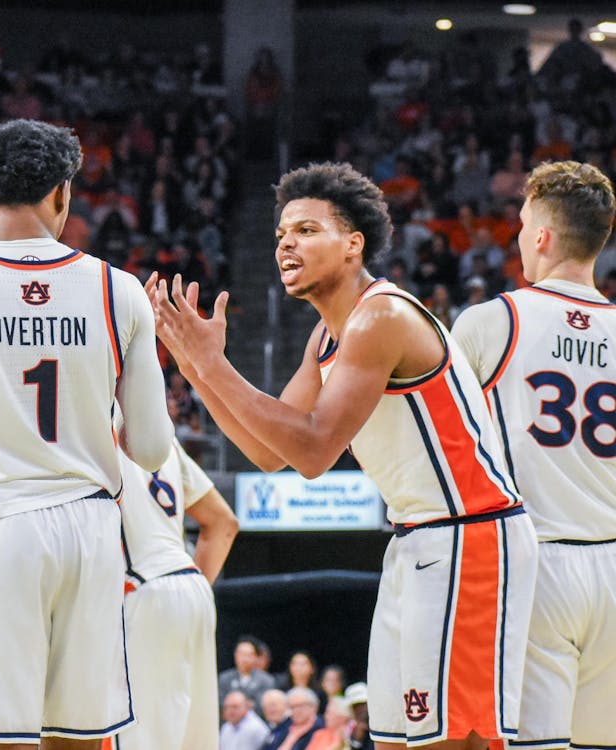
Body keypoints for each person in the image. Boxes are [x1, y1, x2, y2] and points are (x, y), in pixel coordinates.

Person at [147, 161, 538, 749]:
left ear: (353, 244)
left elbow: (311, 448)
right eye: (281, 233)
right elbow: (269, 453)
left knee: (452, 741)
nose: (286, 243)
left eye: (305, 229)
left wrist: (210, 364)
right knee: (392, 736)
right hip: (415, 539)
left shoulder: (382, 316)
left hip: (470, 536)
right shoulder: (325, 335)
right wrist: (193, 367)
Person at [0, 118, 172, 748]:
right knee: (77, 736)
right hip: (94, 530)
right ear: (64, 195)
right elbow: (152, 450)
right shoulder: (119, 290)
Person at [452, 160, 616, 750]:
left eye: (522, 223)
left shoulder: (492, 321)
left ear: (542, 236)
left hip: (536, 562)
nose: (519, 235)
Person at [111, 436, 238, 750]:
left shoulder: (92, 418)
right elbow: (224, 523)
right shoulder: (161, 432)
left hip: (141, 588)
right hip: (192, 587)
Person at [219, 636, 276, 706]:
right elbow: (221, 702)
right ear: (235, 655)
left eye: (248, 655)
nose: (244, 659)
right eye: (241, 654)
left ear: (256, 657)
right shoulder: (224, 678)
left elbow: (263, 704)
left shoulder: (267, 680)